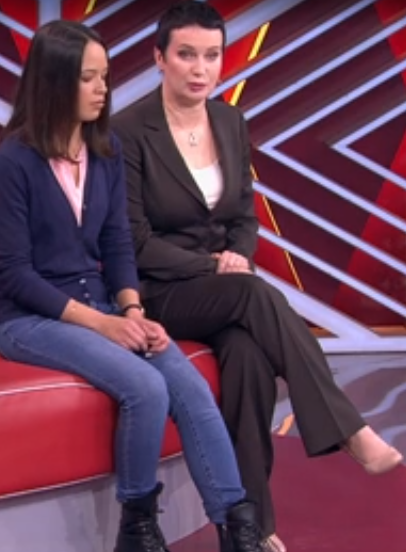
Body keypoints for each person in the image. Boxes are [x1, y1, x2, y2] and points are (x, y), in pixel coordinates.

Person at [109, 2, 404, 551]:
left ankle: (249, 527)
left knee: (248, 360)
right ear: (159, 59)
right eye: (187, 55)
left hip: (226, 287)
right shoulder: (127, 131)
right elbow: (135, 241)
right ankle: (347, 428)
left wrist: (237, 255)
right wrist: (214, 266)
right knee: (250, 293)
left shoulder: (230, 122)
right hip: (161, 290)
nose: (200, 69)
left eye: (211, 56)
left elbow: (244, 218)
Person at [0, 19, 266, 552]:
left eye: (105, 76)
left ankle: (237, 528)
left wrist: (133, 311)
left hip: (103, 304)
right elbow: (16, 275)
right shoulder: (13, 162)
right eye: (88, 78)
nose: (102, 90)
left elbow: (117, 245)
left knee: (189, 388)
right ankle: (137, 528)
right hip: (29, 318)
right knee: (145, 387)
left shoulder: (106, 149)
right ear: (53, 81)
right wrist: (103, 324)